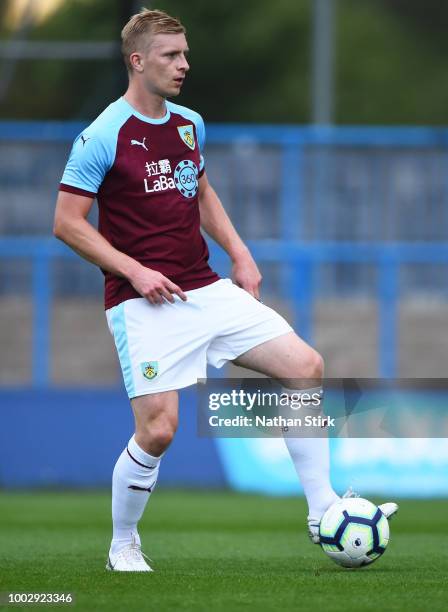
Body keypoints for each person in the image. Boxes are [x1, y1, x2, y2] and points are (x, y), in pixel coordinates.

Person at [53, 8, 397, 572]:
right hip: (143, 302)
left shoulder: (189, 123)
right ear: (138, 61)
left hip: (204, 288)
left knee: (305, 365)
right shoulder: (102, 135)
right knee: (159, 431)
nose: (184, 64)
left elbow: (201, 191)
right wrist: (134, 271)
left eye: (185, 53)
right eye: (171, 55)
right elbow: (66, 223)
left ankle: (321, 510)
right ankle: (123, 545)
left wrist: (240, 254)